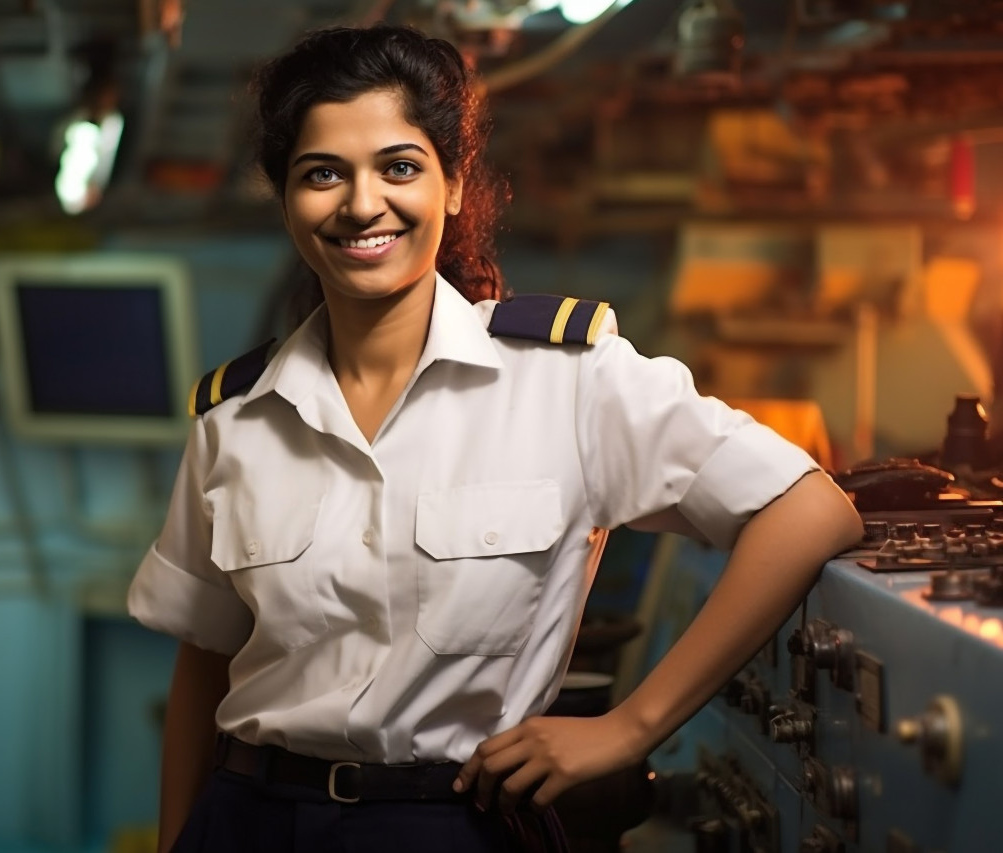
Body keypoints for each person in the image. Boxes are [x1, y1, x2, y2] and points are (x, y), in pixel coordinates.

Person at [127, 24, 862, 853]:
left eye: (399, 167)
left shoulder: (568, 379)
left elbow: (808, 510)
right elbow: (205, 664)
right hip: (248, 818)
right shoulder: (236, 417)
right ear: (287, 198)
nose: (361, 203)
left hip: (453, 823)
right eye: (322, 173)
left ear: (451, 185)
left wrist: (630, 726)